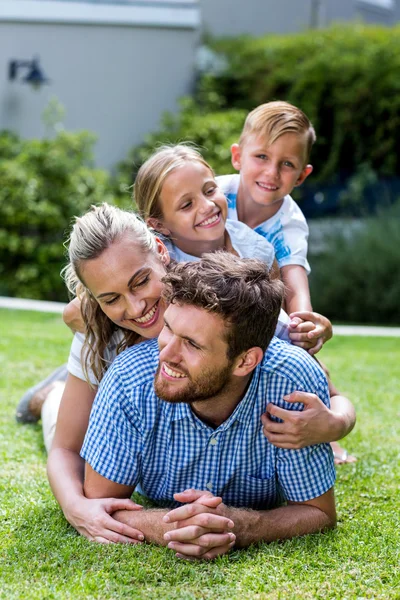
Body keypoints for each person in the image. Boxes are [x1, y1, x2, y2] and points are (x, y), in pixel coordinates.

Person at [82, 252, 337, 560]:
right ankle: (51, 398)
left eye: (191, 343)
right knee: (57, 421)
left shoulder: (292, 382)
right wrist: (172, 528)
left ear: (245, 361)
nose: (165, 354)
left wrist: (244, 526)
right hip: (95, 410)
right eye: (168, 329)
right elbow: (99, 507)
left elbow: (319, 513)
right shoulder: (128, 378)